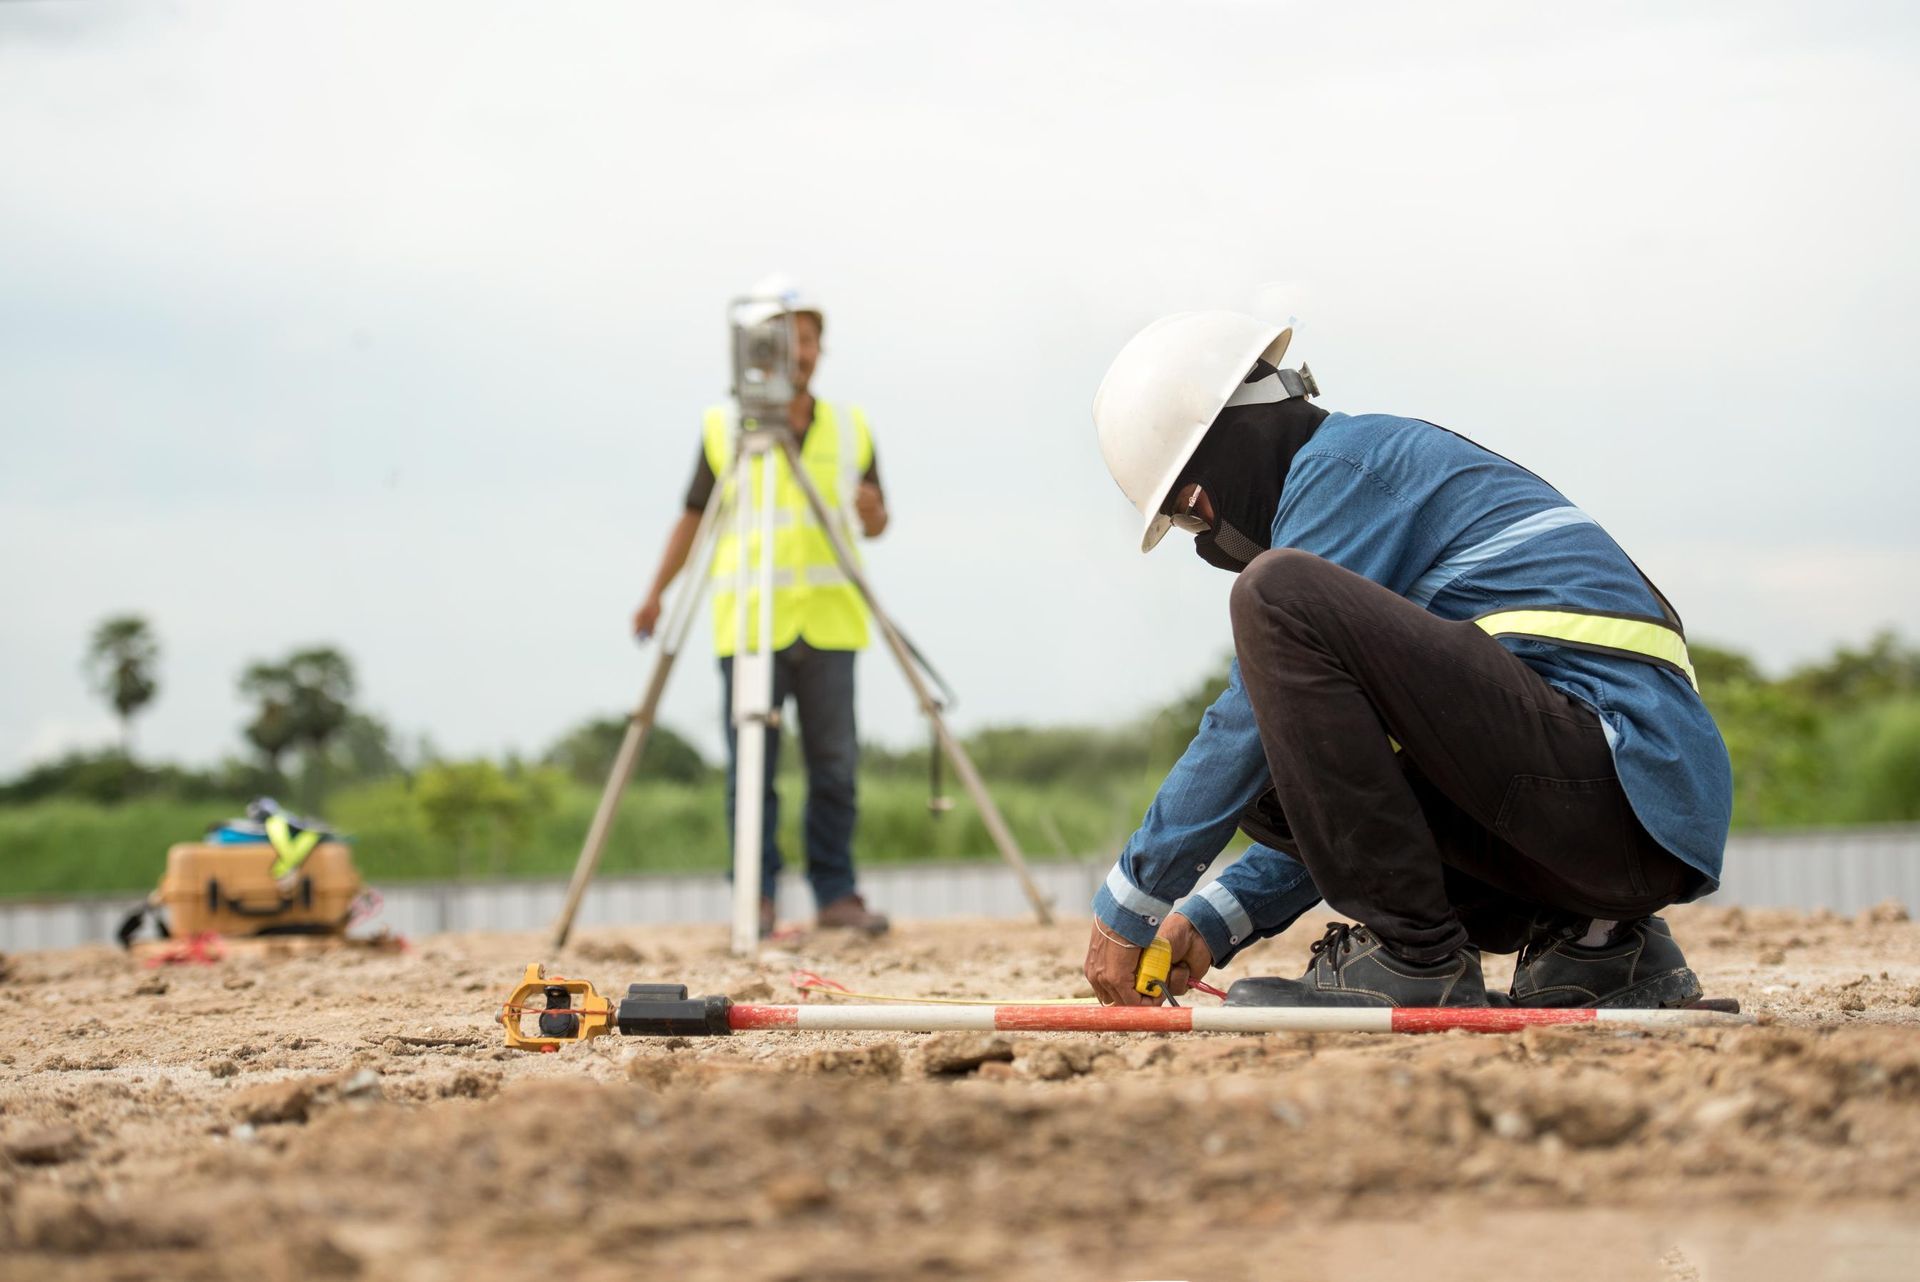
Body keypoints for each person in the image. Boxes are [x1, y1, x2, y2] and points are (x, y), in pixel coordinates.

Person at [1082, 310, 1733, 1008]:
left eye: (1188, 512)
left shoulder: (1346, 471)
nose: (1202, 535)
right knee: (1275, 771)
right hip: (1616, 810)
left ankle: (1417, 960)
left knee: (1274, 597)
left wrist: (1131, 902)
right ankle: (1599, 945)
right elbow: (1345, 782)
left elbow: (1240, 725)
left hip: (1616, 782)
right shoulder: (1378, 472)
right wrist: (1212, 919)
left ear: (1215, 464)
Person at [632, 275, 890, 936]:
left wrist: (874, 513)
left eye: (805, 339)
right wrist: (656, 592)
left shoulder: (851, 426)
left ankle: (836, 894)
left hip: (831, 623)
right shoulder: (725, 427)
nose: (795, 352)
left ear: (819, 348)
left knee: (835, 768)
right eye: (784, 338)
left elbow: (876, 517)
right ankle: (757, 894)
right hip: (751, 624)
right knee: (753, 769)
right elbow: (694, 515)